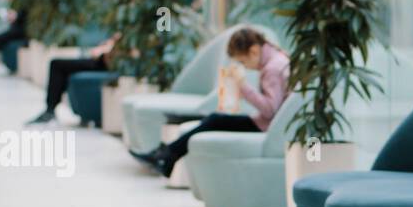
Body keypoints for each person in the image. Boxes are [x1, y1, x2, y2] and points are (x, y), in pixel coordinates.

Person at [132, 27, 289, 177]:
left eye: (243, 61)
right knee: (214, 120)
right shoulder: (277, 57)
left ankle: (165, 156)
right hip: (266, 123)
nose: (245, 66)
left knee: (214, 120)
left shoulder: (272, 69)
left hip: (266, 127)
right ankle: (165, 156)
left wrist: (243, 87)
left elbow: (270, 110)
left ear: (254, 51)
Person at [27, 36, 119, 124]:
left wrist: (104, 50)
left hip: (103, 64)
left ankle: (50, 110)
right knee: (57, 65)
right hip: (100, 60)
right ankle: (51, 109)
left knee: (56, 65)